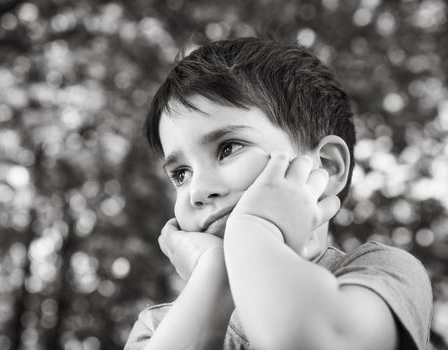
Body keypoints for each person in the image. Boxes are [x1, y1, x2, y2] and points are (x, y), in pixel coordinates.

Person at [124, 37, 432, 350]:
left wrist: (253, 229)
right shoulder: (157, 329)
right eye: (181, 174)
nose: (198, 191)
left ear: (325, 167)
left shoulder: (381, 273)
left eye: (228, 148)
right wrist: (215, 279)